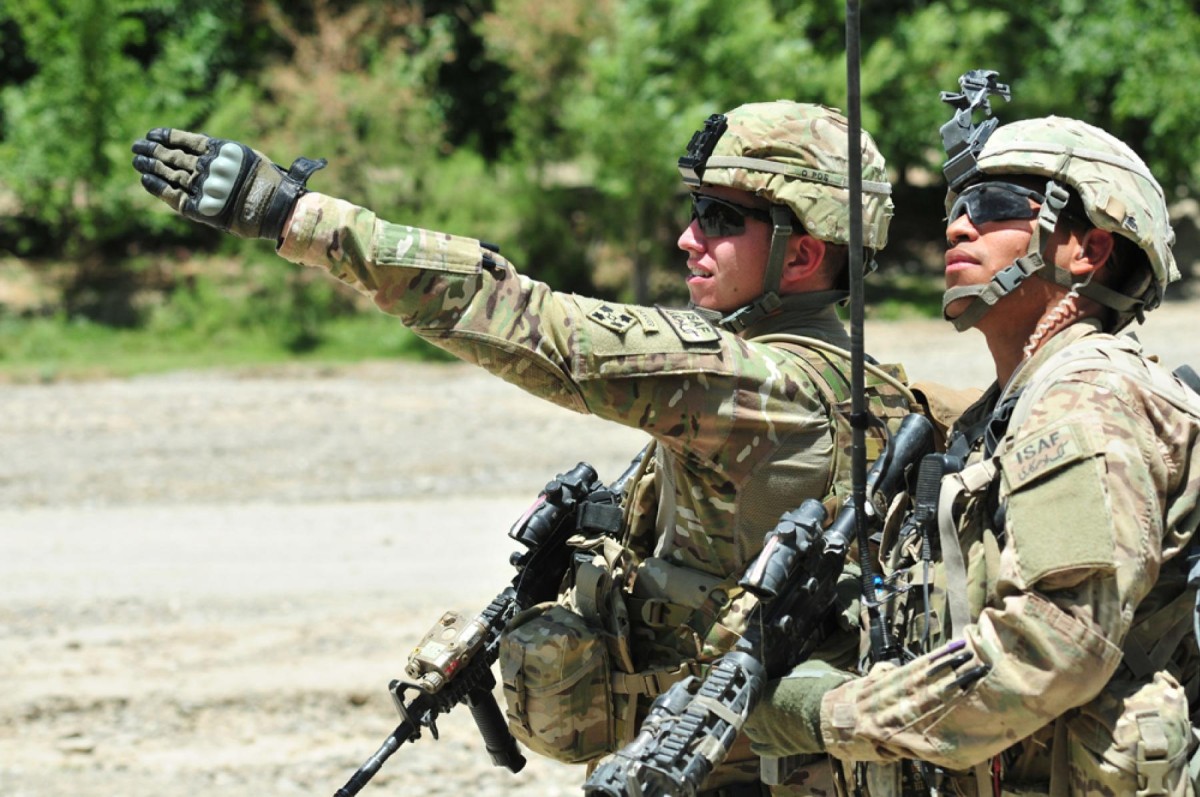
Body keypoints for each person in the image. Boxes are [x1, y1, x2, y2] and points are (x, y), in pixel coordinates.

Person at [132, 101, 920, 795]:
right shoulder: (870, 386)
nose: (687, 238)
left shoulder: (749, 381)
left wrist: (291, 216)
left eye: (719, 218)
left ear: (806, 253)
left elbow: (528, 322)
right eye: (694, 210)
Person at [742, 75, 1200, 796]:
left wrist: (830, 712)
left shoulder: (1087, 396)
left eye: (991, 208)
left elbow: (1054, 645)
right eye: (958, 205)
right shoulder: (1006, 408)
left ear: (1086, 249)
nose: (958, 225)